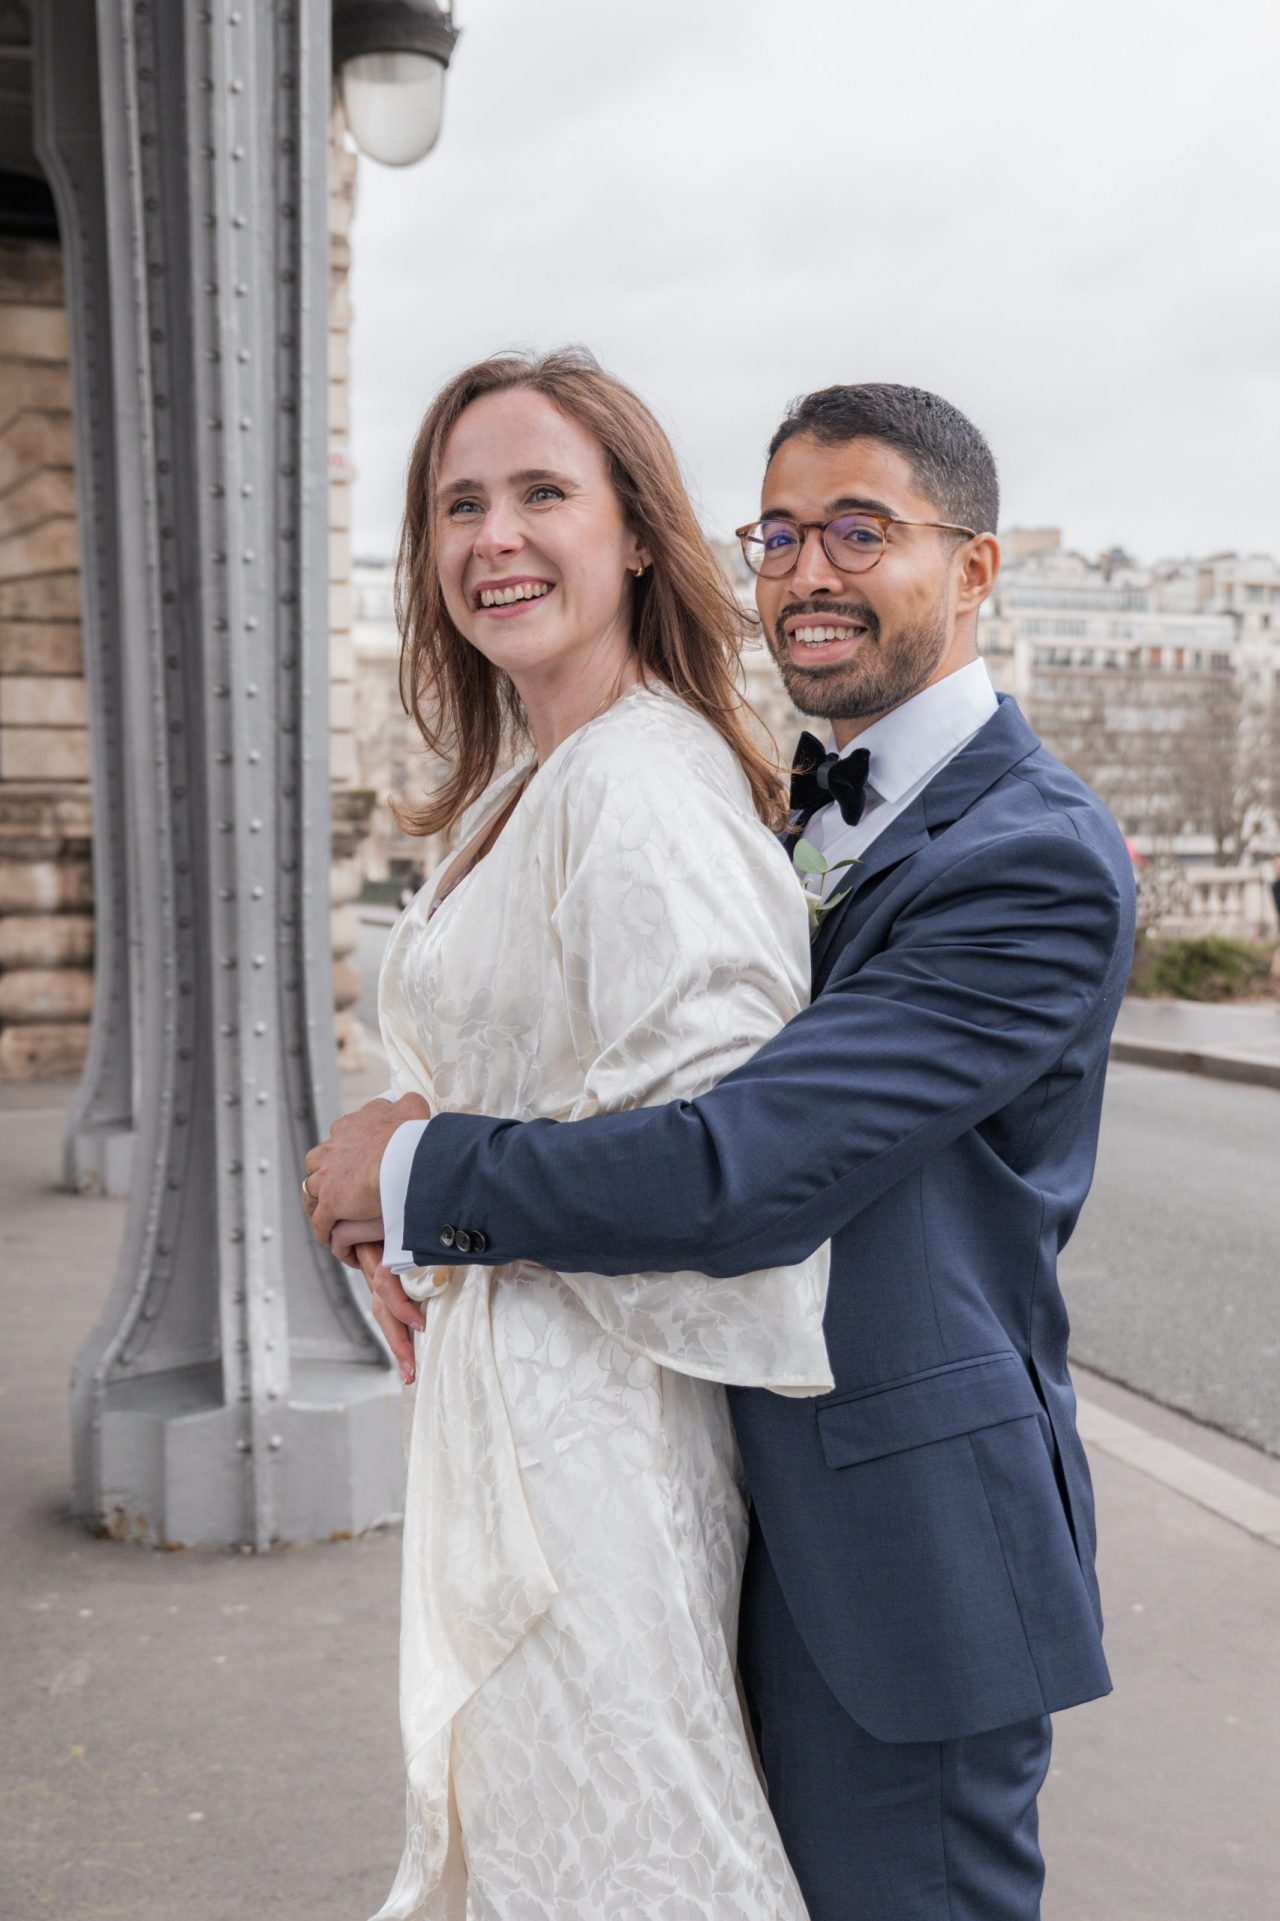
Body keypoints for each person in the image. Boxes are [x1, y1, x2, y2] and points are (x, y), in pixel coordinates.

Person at [306, 382, 1137, 1921]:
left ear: (974, 568)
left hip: (898, 1549)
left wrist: (417, 1177)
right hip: (715, 1482)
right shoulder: (789, 800)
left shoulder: (1034, 856)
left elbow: (739, 1168)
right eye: (781, 534)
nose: (809, 573)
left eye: (861, 532)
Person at [307, 349, 833, 1920]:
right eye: (458, 503)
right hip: (518, 1438)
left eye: (543, 492)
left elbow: (715, 1169)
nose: (495, 538)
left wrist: (415, 1173)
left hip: (595, 1462)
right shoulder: (530, 782)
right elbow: (540, 1092)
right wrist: (405, 1200)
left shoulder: (644, 784)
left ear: (639, 536)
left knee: (624, 1856)